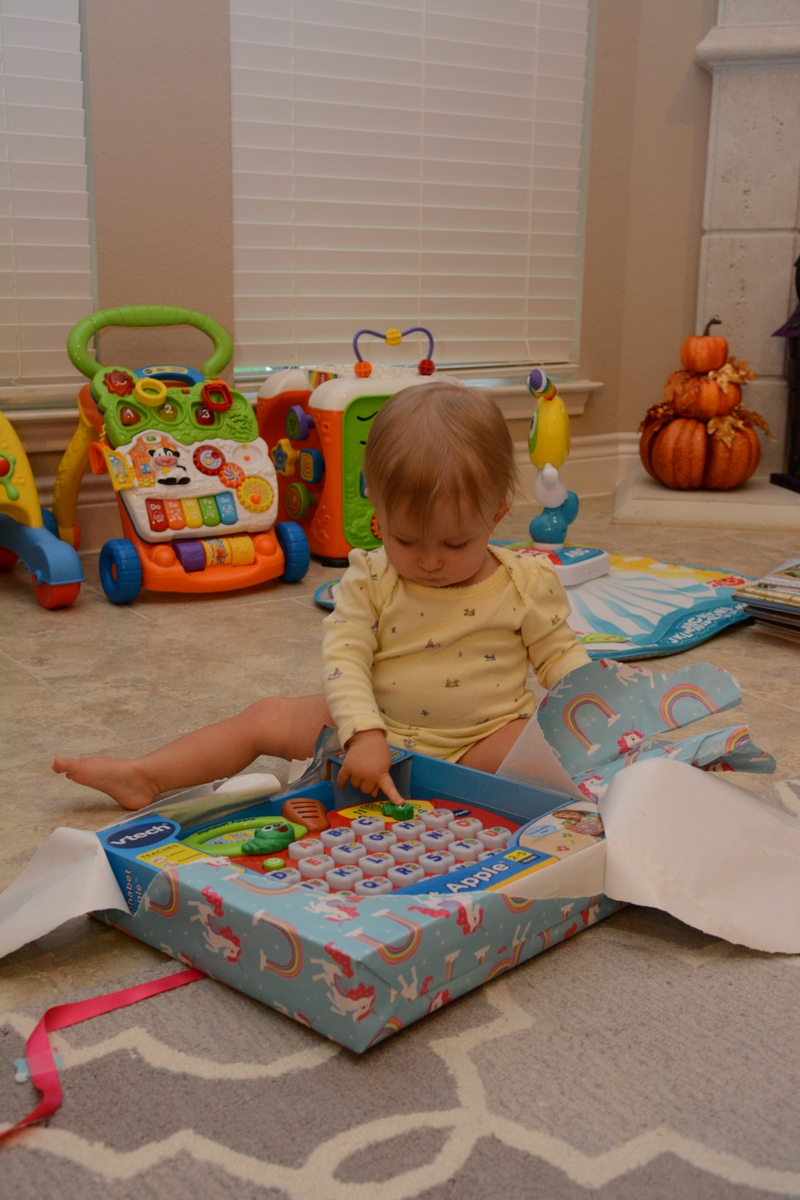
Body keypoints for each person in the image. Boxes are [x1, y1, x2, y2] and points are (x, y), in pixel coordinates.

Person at [53, 382, 590, 810]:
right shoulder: (371, 578)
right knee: (264, 716)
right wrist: (363, 734)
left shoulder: (525, 582)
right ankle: (145, 775)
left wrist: (595, 707)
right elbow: (345, 660)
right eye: (405, 539)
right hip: (374, 724)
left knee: (557, 757)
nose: (429, 560)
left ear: (495, 515)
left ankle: (466, 790)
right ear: (376, 508)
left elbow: (560, 659)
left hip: (481, 740)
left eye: (455, 543)